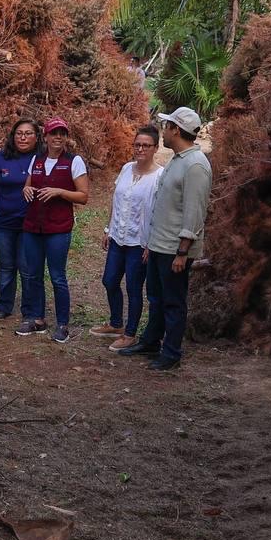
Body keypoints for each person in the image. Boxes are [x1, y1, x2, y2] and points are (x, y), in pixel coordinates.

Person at [118, 106, 212, 371]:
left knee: (173, 301)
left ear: (176, 130)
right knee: (157, 297)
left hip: (174, 248)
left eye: (167, 126)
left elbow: (195, 212)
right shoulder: (179, 159)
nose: (164, 130)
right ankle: (151, 341)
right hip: (160, 244)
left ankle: (171, 353)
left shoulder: (195, 165)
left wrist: (183, 252)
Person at [17, 117, 90, 342]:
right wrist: (26, 190)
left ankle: (62, 323)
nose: (58, 137)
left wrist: (59, 191)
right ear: (46, 137)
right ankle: (38, 319)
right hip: (33, 226)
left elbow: (83, 196)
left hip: (58, 228)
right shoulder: (37, 160)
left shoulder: (73, 161)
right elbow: (28, 184)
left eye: (62, 133)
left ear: (66, 137)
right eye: (53, 133)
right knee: (33, 274)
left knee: (57, 276)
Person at [92, 126, 162, 350]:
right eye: (137, 144)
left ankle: (130, 333)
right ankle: (116, 324)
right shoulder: (126, 169)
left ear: (155, 148)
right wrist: (107, 229)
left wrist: (151, 243)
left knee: (133, 287)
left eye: (146, 145)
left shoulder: (159, 176)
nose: (140, 149)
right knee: (109, 280)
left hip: (139, 242)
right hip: (118, 237)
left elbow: (159, 212)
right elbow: (116, 200)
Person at [0, 119, 38, 319]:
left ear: (37, 137)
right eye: (19, 133)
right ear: (13, 136)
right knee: (6, 266)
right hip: (4, 222)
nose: (23, 137)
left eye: (28, 133)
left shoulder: (41, 160)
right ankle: (3, 306)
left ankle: (29, 309)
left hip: (30, 224)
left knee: (27, 267)